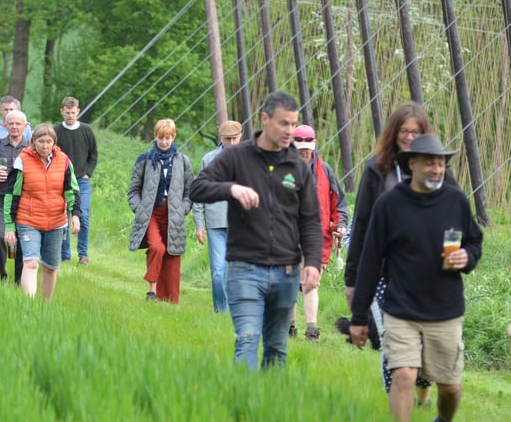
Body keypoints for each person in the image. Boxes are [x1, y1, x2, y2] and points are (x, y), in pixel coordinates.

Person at [350, 133, 482, 422]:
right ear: (412, 164)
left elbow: (474, 242)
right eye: (430, 163)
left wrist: (467, 258)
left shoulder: (456, 200)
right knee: (404, 376)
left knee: (450, 389)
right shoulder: (389, 205)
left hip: (445, 311)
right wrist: (359, 317)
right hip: (401, 309)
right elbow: (370, 263)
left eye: (441, 163)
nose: (437, 169)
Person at [189, 91, 322, 370]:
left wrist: (312, 263)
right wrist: (231, 189)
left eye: (293, 124)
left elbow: (310, 220)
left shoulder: (298, 167)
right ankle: (242, 407)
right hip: (245, 269)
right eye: (283, 123)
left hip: (287, 273)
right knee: (247, 339)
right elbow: (198, 188)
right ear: (265, 118)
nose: (289, 131)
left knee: (276, 348)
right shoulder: (237, 157)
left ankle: (268, 408)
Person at [344, 101, 447, 403]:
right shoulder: (377, 171)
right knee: (394, 340)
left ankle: (423, 394)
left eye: (416, 132)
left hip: (427, 273)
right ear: (394, 133)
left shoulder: (438, 169)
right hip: (382, 271)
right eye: (404, 131)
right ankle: (398, 398)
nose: (409, 137)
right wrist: (352, 280)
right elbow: (360, 225)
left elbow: (454, 215)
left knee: (425, 340)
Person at [3, 124, 81, 303]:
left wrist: (75, 214)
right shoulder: (22, 161)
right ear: (33, 142)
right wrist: (9, 225)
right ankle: (29, 306)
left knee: (51, 268)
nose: (45, 146)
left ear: (54, 143)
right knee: (31, 263)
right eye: (41, 142)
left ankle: (44, 308)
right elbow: (11, 195)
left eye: (49, 142)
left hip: (56, 222)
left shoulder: (64, 161)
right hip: (28, 220)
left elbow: (72, 191)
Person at [287, 124, 348, 341]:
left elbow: (339, 204)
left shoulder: (325, 171)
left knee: (311, 282)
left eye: (307, 147)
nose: (304, 152)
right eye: (300, 147)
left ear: (314, 145)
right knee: (291, 282)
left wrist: (340, 224)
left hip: (317, 238)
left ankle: (311, 328)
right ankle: (290, 326)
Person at [128, 118, 194, 303]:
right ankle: (151, 291)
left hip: (173, 214)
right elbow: (133, 190)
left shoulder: (183, 161)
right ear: (155, 137)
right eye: (160, 138)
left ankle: (168, 299)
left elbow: (190, 192)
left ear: (173, 138)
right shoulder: (145, 159)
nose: (164, 142)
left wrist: (183, 210)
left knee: (172, 253)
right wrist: (139, 209)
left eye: (168, 138)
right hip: (151, 213)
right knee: (157, 248)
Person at [192, 120, 243, 313]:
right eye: (227, 139)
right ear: (221, 138)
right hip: (215, 224)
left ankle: (233, 309)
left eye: (234, 139)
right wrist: (199, 224)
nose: (231, 143)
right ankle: (220, 310)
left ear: (240, 137)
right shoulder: (209, 160)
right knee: (218, 271)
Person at [0, 109, 29, 283]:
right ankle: (0, 276)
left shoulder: (31, 148)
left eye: (18, 124)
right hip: (0, 199)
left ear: (25, 126)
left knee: (22, 242)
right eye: (11, 124)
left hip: (23, 202)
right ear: (5, 125)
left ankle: (19, 280)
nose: (15, 127)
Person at [55, 96, 98, 265]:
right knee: (63, 216)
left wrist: (88, 173)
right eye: (67, 113)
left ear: (78, 111)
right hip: (61, 180)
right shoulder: (57, 131)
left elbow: (93, 154)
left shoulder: (86, 131)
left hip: (81, 180)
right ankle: (65, 254)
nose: (70, 116)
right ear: (62, 111)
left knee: (83, 215)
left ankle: (83, 254)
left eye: (73, 113)